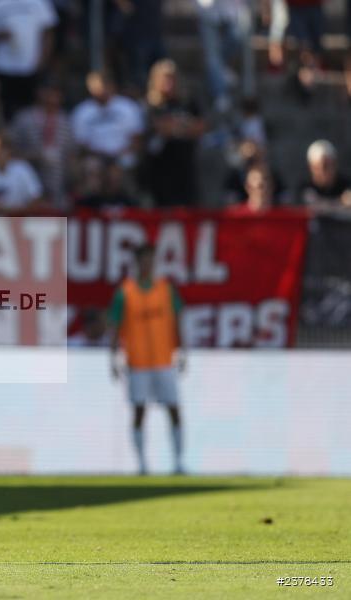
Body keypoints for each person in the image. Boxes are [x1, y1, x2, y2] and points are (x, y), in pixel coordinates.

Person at [108, 243, 186, 475]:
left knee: (173, 409)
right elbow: (115, 325)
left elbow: (177, 319)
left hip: (164, 359)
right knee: (139, 411)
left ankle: (178, 463)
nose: (147, 264)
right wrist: (113, 356)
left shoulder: (165, 289)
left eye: (151, 259)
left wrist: (182, 350)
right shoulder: (126, 291)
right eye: (144, 260)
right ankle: (142, 464)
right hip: (138, 362)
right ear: (137, 262)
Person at [0, 0, 59, 118]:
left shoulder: (39, 3)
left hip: (30, 66)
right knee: (3, 109)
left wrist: (43, 60)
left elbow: (48, 33)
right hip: (2, 67)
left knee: (31, 110)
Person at [142, 59, 205, 207]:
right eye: (164, 78)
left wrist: (176, 127)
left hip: (185, 166)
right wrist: (183, 127)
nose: (168, 82)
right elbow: (161, 128)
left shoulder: (188, 103)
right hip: (160, 168)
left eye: (172, 78)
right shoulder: (150, 105)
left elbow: (200, 127)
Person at [9, 78, 73, 210]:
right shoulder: (24, 118)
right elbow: (11, 150)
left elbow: (71, 154)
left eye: (56, 93)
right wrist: (36, 156)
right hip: (29, 179)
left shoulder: (66, 121)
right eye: (48, 93)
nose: (52, 97)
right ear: (39, 93)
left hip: (58, 183)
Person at [298, 140, 351, 211]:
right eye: (319, 167)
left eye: (330, 165)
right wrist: (340, 203)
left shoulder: (347, 185)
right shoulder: (303, 188)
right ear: (311, 167)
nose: (325, 171)